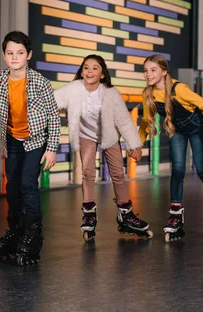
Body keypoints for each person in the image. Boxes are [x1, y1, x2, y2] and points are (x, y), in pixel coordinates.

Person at [54, 54, 152, 241]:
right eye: (86, 67)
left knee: (117, 173)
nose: (89, 71)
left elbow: (123, 120)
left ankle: (125, 213)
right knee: (88, 172)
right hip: (86, 135)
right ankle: (89, 212)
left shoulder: (110, 93)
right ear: (81, 72)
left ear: (103, 74)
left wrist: (135, 144)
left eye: (95, 68)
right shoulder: (73, 89)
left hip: (108, 134)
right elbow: (50, 101)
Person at [0, 31, 60, 265]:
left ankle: (33, 234)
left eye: (19, 53)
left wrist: (52, 148)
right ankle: (16, 229)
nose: (14, 57)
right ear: (4, 56)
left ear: (28, 55)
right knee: (12, 187)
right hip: (12, 140)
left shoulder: (40, 82)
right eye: (10, 53)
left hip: (35, 141)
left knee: (28, 184)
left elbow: (53, 117)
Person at [139, 54, 203, 242]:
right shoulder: (148, 94)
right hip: (176, 130)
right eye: (145, 71)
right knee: (177, 170)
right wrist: (138, 144)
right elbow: (147, 122)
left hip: (195, 128)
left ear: (164, 71)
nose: (148, 74)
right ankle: (175, 215)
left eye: (153, 70)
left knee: (202, 169)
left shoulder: (180, 89)